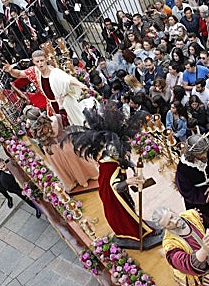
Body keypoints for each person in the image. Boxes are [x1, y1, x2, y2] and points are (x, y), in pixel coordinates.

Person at [67, 106, 163, 249]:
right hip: (115, 202)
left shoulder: (113, 157)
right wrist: (128, 181)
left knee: (132, 212)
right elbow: (114, 186)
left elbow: (123, 163)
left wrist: (131, 167)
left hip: (122, 197)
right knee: (127, 218)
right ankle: (138, 235)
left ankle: (144, 229)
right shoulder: (109, 167)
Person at [4, 50, 89, 126]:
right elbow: (19, 74)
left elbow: (68, 79)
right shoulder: (34, 72)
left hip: (64, 102)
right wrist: (10, 70)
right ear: (33, 62)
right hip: (51, 105)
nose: (40, 63)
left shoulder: (55, 72)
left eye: (42, 60)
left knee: (76, 121)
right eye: (37, 61)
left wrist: (80, 84)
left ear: (46, 60)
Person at [24, 106, 98, 191]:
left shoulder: (34, 131)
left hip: (52, 151)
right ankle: (90, 175)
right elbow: (66, 123)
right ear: (40, 112)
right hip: (66, 144)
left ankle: (74, 182)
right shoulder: (57, 118)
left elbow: (34, 138)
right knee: (77, 161)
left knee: (64, 167)